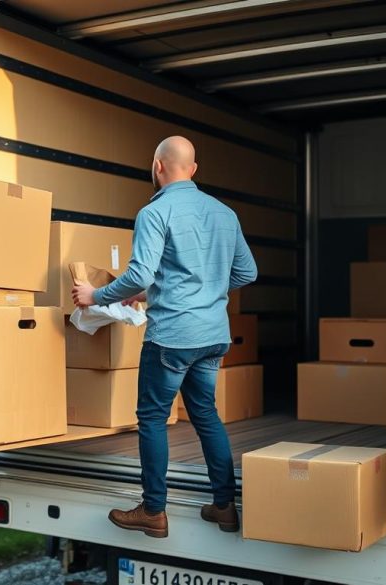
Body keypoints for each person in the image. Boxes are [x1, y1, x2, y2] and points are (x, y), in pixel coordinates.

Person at [72, 136, 257, 539]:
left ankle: (154, 511)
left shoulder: (155, 212)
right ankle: (225, 507)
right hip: (212, 336)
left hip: (173, 337)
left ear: (157, 167)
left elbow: (140, 275)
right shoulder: (225, 213)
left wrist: (95, 296)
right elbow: (247, 273)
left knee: (152, 418)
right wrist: (203, 290)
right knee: (206, 415)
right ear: (192, 170)